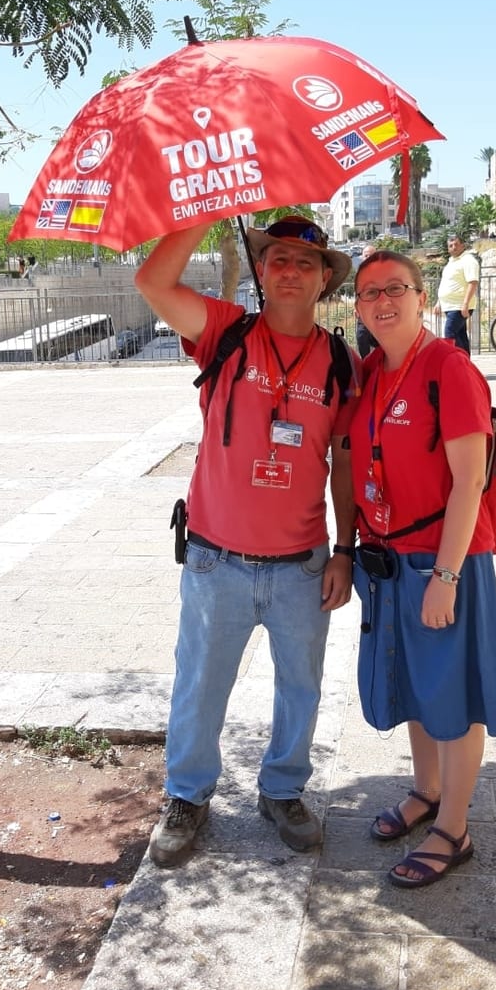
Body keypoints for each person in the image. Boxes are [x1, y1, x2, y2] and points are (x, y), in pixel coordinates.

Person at [135, 215, 358, 867]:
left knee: (300, 687)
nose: (288, 270)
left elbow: (343, 460)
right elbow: (151, 279)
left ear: (322, 280)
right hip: (215, 558)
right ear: (261, 270)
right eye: (277, 258)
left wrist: (345, 550)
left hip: (300, 564)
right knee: (200, 683)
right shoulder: (225, 332)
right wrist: (204, 211)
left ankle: (282, 789)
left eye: (303, 262)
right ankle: (187, 794)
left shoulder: (341, 361)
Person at [349, 250, 496, 888]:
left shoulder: (449, 367)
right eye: (368, 293)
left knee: (455, 693)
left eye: (396, 289)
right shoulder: (368, 373)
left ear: (422, 298)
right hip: (389, 561)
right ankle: (426, 790)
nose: (382, 302)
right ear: (356, 307)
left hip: (447, 560)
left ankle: (455, 827)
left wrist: (444, 577)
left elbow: (470, 480)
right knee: (416, 683)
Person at [433, 233, 479, 357]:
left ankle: (455, 364)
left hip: (459, 306)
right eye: (451, 245)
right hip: (450, 306)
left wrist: (465, 304)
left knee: (449, 334)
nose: (454, 247)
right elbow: (446, 283)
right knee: (460, 335)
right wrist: (439, 302)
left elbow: (473, 282)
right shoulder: (451, 263)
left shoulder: (468, 260)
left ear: (462, 245)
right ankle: (465, 366)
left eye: (456, 244)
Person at [354, 243, 379, 358]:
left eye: (371, 256)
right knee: (361, 336)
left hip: (379, 313)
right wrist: (356, 307)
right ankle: (365, 364)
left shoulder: (382, 273)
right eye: (366, 256)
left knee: (380, 341)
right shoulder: (360, 273)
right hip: (364, 313)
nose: (368, 258)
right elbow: (358, 291)